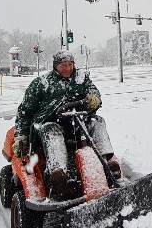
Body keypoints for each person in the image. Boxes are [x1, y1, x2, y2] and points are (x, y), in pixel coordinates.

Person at [13, 49, 120, 199]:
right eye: (63, 65)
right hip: (49, 124)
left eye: (70, 64)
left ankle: (107, 161)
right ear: (55, 66)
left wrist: (93, 100)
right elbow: (25, 111)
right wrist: (21, 136)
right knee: (52, 131)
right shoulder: (41, 83)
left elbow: (94, 93)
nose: (68, 68)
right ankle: (58, 174)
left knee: (97, 121)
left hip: (77, 122)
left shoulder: (81, 79)